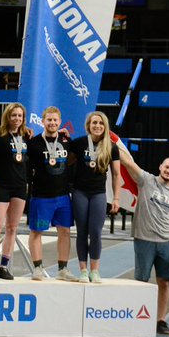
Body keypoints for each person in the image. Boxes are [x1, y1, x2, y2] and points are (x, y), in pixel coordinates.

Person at [115, 138, 169, 335]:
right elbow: (128, 162)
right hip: (144, 240)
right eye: (167, 167)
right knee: (141, 281)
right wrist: (109, 143)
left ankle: (161, 320)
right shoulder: (146, 180)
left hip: (165, 243)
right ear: (160, 167)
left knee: (164, 282)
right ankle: (138, 318)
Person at [69, 111, 122, 283]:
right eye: (94, 123)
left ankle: (95, 271)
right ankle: (83, 271)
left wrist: (116, 198)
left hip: (98, 193)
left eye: (100, 123)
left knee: (96, 232)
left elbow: (116, 175)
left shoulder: (111, 147)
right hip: (80, 192)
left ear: (105, 126)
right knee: (82, 232)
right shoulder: (78, 143)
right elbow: (66, 161)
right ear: (88, 126)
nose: (97, 126)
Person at [26, 107, 78, 282]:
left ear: (60, 122)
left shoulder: (66, 140)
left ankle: (62, 269)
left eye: (55, 120)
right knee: (36, 232)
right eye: (49, 120)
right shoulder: (33, 143)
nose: (52, 123)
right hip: (41, 196)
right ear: (43, 121)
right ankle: (38, 268)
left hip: (63, 196)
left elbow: (72, 159)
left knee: (65, 232)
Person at [0, 102, 31, 280]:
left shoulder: (27, 135)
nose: (17, 119)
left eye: (20, 116)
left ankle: (4, 266)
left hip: (20, 186)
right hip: (1, 185)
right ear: (8, 116)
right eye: (14, 115)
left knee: (12, 227)